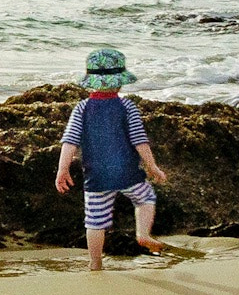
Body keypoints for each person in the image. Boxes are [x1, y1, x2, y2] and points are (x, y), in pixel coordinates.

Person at [53, 46, 168, 267]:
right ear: (120, 81)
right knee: (145, 199)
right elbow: (139, 141)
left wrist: (62, 169)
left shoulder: (82, 108)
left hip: (96, 176)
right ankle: (143, 234)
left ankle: (95, 263)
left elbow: (70, 142)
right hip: (127, 172)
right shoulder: (127, 107)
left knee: (95, 222)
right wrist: (152, 166)